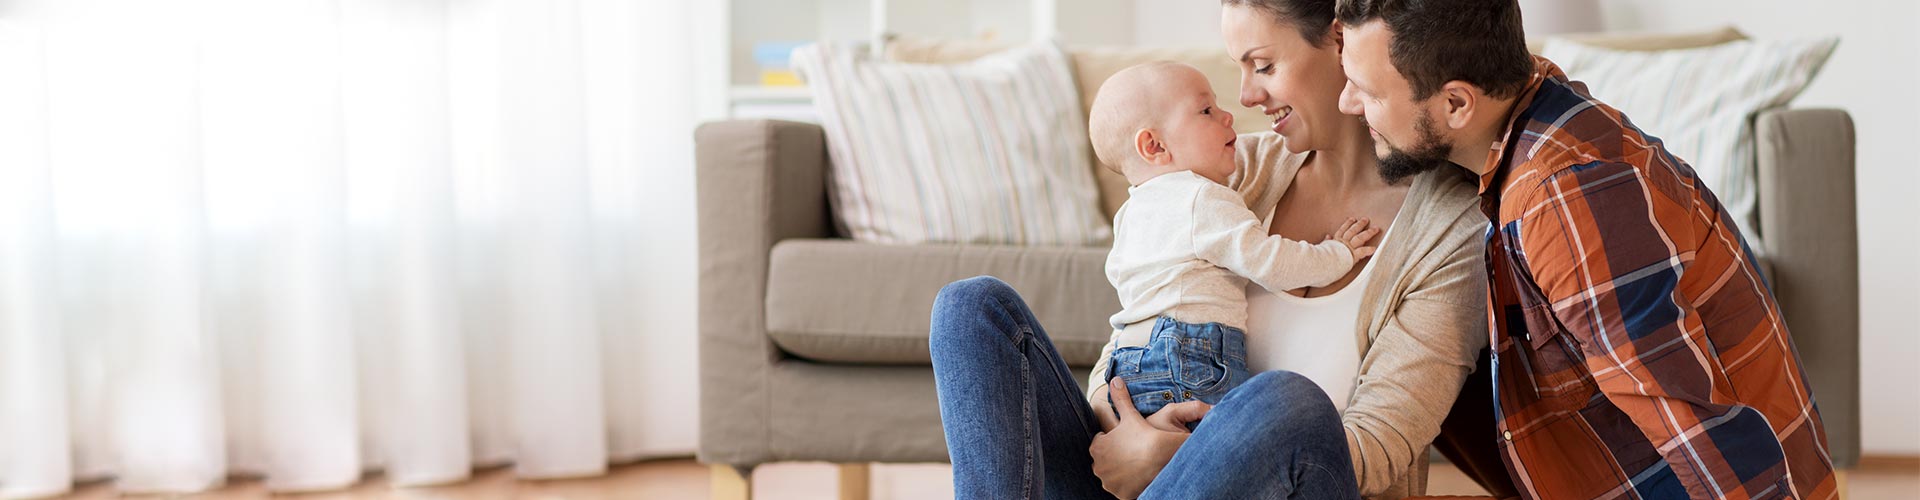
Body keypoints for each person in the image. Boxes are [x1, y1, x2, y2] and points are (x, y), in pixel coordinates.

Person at [927, 0, 1493, 497]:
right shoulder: (1228, 168)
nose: (1245, 96)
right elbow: (1136, 331)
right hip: (1136, 477)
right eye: (1240, 70)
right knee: (972, 308)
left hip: (1288, 486)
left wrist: (1176, 456)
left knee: (1288, 402)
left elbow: (1377, 449)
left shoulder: (1450, 230)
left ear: (1342, 44)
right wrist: (1125, 427)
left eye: (1264, 65)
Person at [1331, 0, 1839, 498]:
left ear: (1458, 104)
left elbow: (1689, 424)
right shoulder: (1528, 110)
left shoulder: (1565, 195)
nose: (1347, 104)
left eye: (1368, 92)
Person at [1084, 60, 1379, 423]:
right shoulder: (1202, 198)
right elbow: (1271, 263)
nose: (1228, 116)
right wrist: (1338, 254)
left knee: (1160, 472)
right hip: (1189, 360)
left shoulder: (1130, 214)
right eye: (1206, 110)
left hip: (1127, 364)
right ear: (1154, 145)